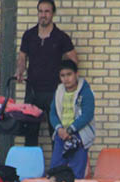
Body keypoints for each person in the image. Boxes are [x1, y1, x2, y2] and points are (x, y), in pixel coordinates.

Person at [15, 0, 78, 148]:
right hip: (32, 91)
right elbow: (22, 57)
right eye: (40, 11)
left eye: (47, 11)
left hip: (53, 92)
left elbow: (74, 59)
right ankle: (30, 169)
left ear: (53, 14)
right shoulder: (29, 35)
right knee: (30, 132)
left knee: (55, 132)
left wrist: (69, 81)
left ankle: (58, 169)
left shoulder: (61, 37)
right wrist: (19, 71)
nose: (43, 15)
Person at [49, 59, 94, 179]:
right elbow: (52, 113)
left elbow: (87, 114)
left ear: (76, 74)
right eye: (62, 75)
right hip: (61, 134)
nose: (66, 79)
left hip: (79, 136)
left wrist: (70, 130)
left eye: (69, 74)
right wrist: (59, 129)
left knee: (76, 174)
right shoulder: (59, 91)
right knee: (55, 171)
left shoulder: (86, 92)